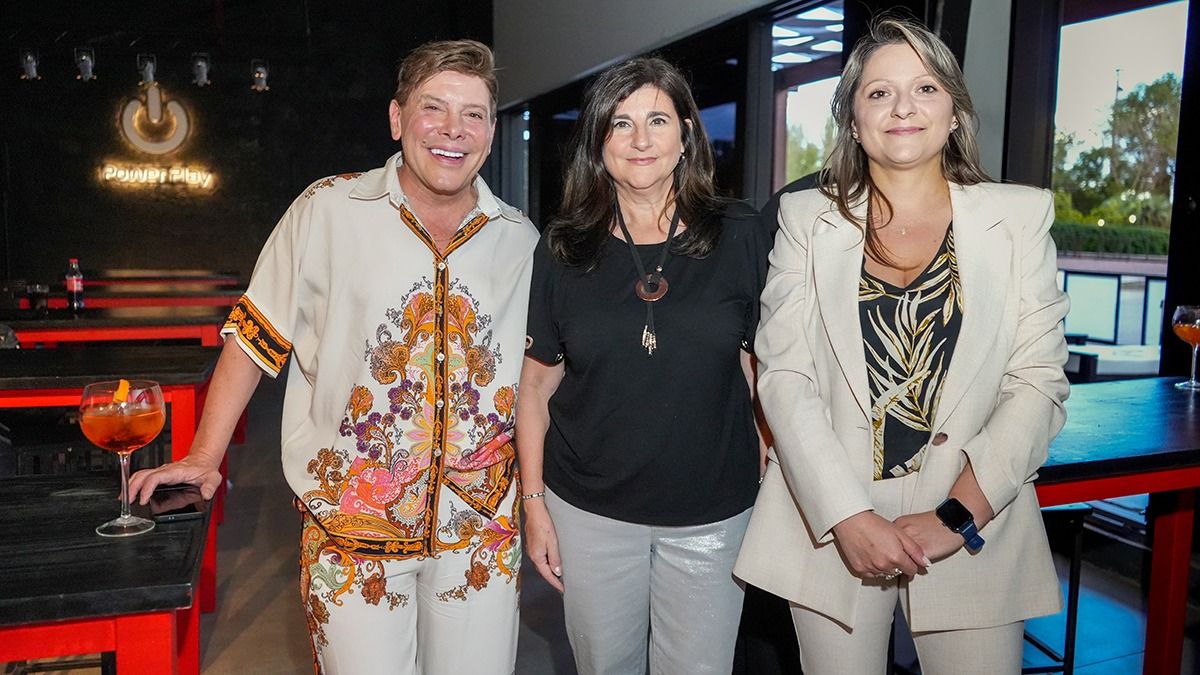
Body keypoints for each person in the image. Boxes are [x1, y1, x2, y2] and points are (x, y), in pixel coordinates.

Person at [129, 40, 539, 675]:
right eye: (435, 108)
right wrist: (205, 456)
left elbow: (544, 377)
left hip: (480, 531)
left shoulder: (520, 239)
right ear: (398, 118)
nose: (454, 130)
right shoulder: (327, 210)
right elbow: (254, 335)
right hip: (351, 528)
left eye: (475, 114)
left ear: (491, 130)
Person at [734, 17, 1070, 674]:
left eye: (924, 87)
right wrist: (846, 516)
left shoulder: (1020, 220)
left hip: (975, 516)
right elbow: (784, 376)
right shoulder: (806, 220)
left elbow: (1037, 382)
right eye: (879, 93)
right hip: (830, 518)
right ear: (854, 121)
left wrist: (955, 515)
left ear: (953, 113)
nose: (904, 106)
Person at [516, 57, 770, 675]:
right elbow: (535, 386)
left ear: (686, 132)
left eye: (657, 120)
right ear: (598, 141)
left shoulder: (740, 233)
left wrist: (771, 454)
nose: (639, 140)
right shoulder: (563, 246)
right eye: (620, 123)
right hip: (589, 514)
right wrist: (534, 504)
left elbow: (764, 367)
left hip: (714, 512)